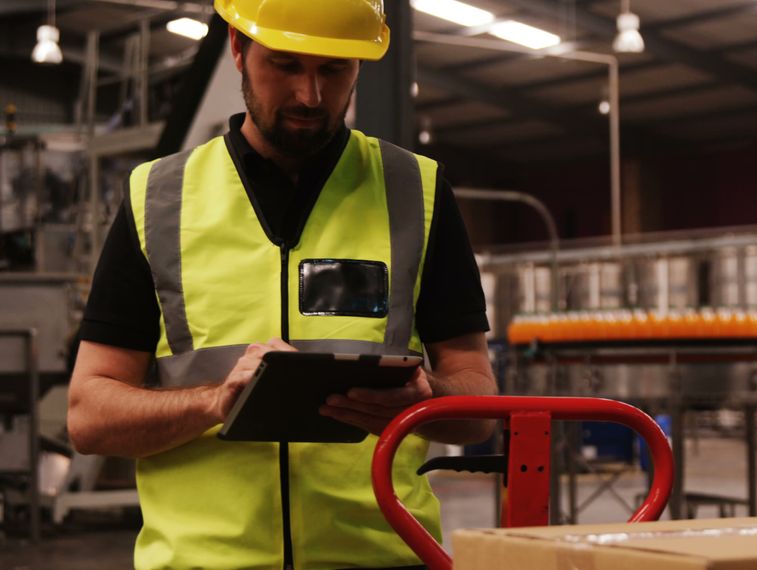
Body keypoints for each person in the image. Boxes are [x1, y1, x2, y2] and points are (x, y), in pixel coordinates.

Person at [66, 0, 497, 568]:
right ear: (239, 50)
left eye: (333, 69)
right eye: (287, 65)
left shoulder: (415, 191)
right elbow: (89, 415)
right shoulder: (158, 198)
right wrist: (214, 404)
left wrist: (429, 400)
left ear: (360, 66)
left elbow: (480, 407)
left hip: (380, 556)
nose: (309, 97)